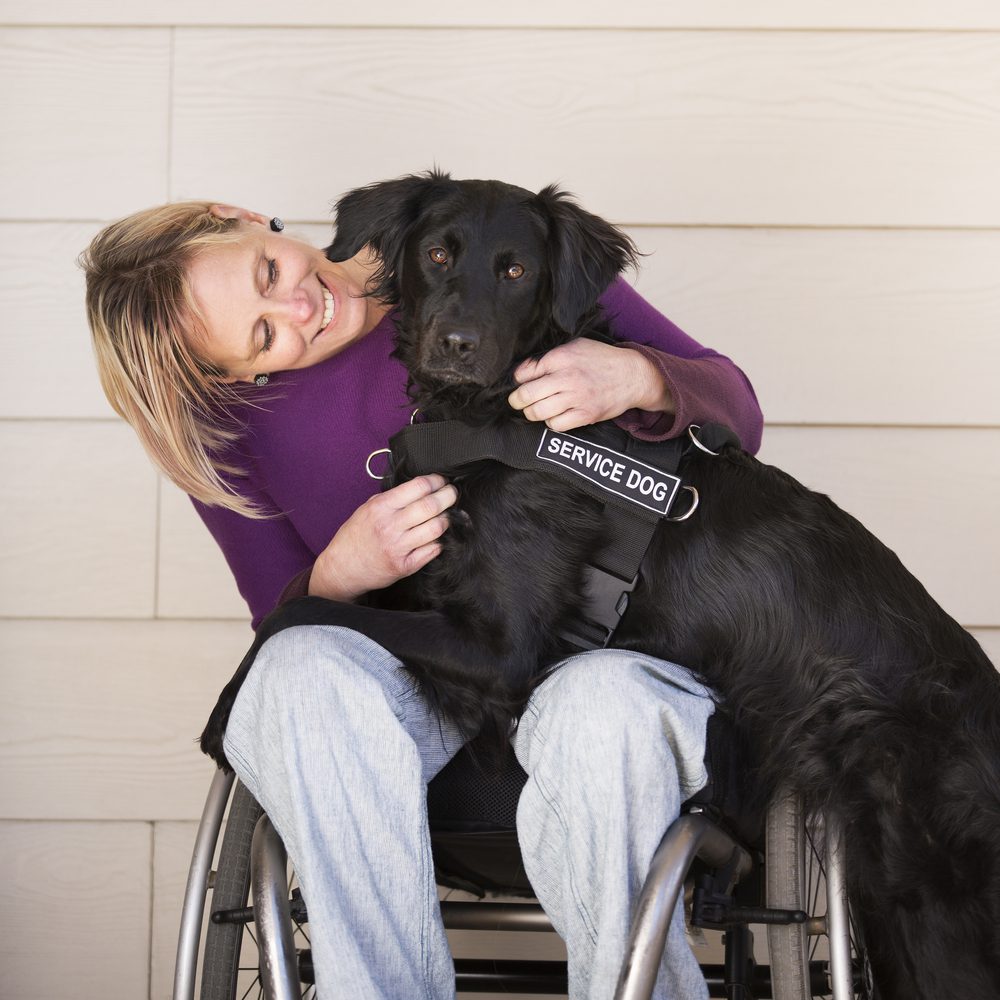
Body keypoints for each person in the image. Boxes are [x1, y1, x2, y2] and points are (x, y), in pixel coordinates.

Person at [82, 193, 764, 1000]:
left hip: (609, 649)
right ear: (238, 373)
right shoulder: (233, 431)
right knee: (297, 670)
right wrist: (342, 569)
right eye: (263, 334)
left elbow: (741, 417)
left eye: (269, 271)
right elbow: (283, 621)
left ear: (246, 217)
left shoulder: (472, 247)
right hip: (431, 687)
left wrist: (636, 375)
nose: (297, 306)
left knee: (601, 705)